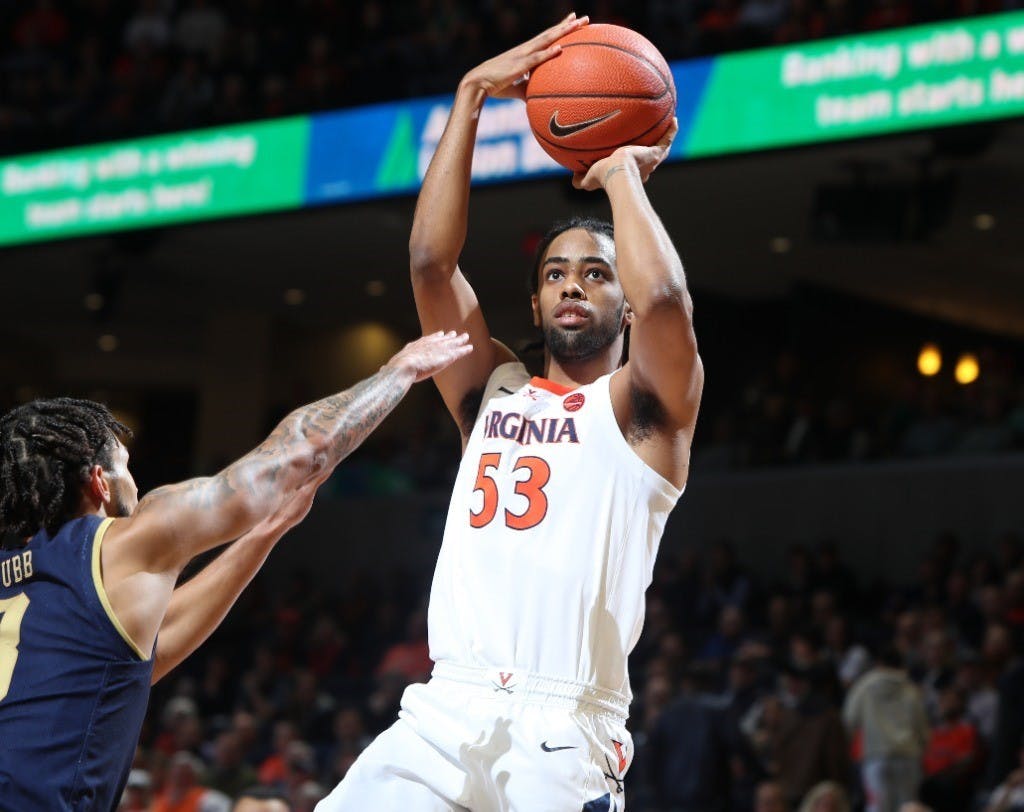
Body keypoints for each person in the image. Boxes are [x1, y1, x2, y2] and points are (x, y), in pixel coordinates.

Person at [318, 11, 703, 811]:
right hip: (444, 708)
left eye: (596, 273)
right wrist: (468, 97)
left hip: (563, 723)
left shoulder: (643, 414)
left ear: (625, 304)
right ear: (534, 301)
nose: (572, 284)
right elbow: (431, 263)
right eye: (555, 273)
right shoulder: (489, 390)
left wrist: (621, 175)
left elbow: (666, 298)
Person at [0, 330, 471, 811]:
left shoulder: (31, 586)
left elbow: (148, 655)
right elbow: (300, 451)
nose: (135, 485)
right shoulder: (122, 542)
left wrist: (264, 533)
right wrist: (398, 371)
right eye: (125, 466)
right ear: (100, 481)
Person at [843, 647, 929, 812]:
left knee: (878, 807)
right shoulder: (910, 688)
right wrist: (922, 748)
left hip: (876, 757)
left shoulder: (864, 686)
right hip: (907, 756)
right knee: (909, 808)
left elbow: (849, 720)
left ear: (878, 663)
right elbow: (921, 727)